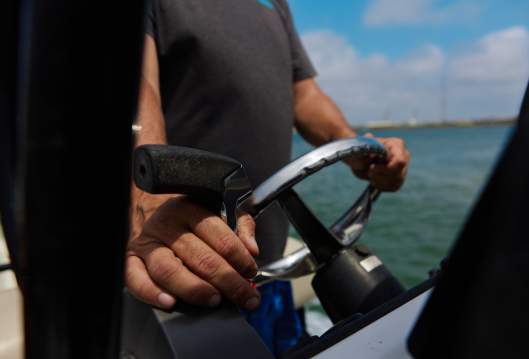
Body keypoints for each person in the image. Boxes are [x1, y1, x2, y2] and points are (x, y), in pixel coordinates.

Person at [126, 0, 410, 353]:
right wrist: (146, 199)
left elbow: (305, 95)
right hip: (185, 265)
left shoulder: (275, 4)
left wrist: (355, 147)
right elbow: (137, 86)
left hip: (271, 271)